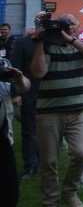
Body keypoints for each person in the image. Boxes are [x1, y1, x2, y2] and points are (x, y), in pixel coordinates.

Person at [30, 12, 83, 207]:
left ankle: (69, 193)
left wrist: (70, 39)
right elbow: (38, 72)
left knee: (81, 154)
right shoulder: (49, 46)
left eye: (72, 24)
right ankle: (50, 205)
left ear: (79, 26)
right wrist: (41, 42)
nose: (69, 26)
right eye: (65, 24)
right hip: (49, 112)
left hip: (78, 112)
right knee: (49, 161)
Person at [1, 58, 32, 207]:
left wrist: (19, 79)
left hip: (4, 139)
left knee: (9, 191)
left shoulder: (4, 63)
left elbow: (24, 87)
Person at [8, 33, 37, 180]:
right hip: (28, 93)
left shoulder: (52, 41)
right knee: (29, 129)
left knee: (46, 129)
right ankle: (30, 165)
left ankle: (43, 159)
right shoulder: (23, 43)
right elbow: (15, 70)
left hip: (48, 93)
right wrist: (16, 93)